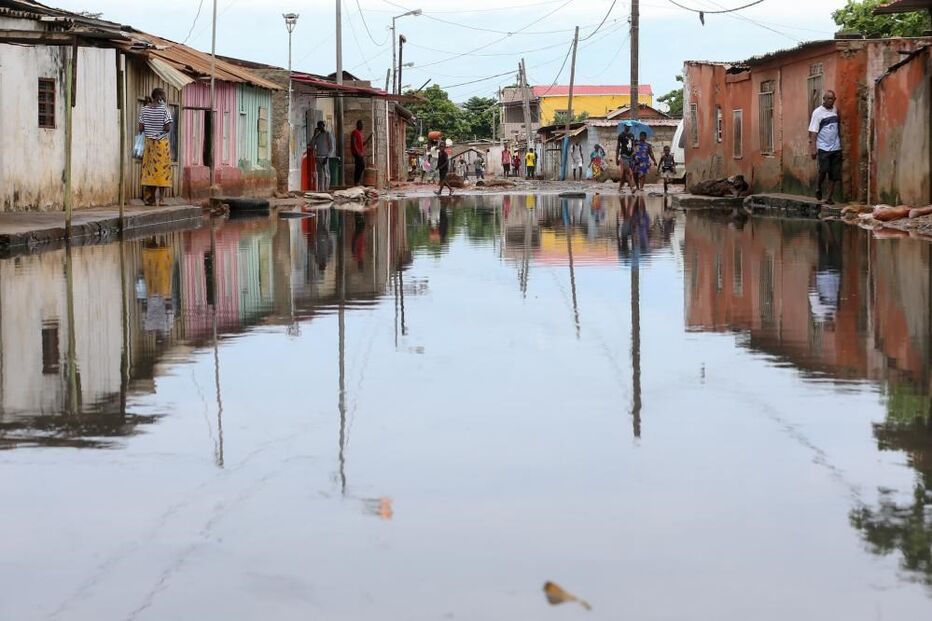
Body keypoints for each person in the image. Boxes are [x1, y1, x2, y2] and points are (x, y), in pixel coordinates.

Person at [138, 88, 173, 206]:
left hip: (149, 145)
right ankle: (162, 199)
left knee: (150, 171)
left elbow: (141, 128)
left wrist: (150, 130)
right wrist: (158, 132)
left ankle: (150, 199)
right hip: (161, 144)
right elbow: (168, 128)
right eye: (164, 97)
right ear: (160, 97)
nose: (165, 99)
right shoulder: (165, 110)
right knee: (163, 171)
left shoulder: (144, 109)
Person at [809, 90, 841, 205]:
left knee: (834, 174)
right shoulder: (817, 112)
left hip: (836, 147)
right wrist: (813, 148)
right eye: (828, 99)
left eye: (832, 99)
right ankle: (818, 186)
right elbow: (813, 132)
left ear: (834, 100)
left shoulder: (835, 110)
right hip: (823, 147)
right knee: (824, 170)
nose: (830, 101)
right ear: (824, 99)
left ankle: (829, 197)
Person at [311, 120, 333, 192]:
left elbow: (331, 147)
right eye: (319, 126)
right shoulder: (318, 135)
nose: (320, 127)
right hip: (318, 157)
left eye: (321, 125)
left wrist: (327, 157)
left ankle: (327, 189)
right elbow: (312, 145)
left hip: (325, 157)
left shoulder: (327, 134)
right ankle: (321, 190)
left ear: (324, 126)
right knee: (320, 175)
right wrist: (314, 135)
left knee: (326, 174)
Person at [351, 120, 371, 186]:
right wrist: (357, 152)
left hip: (360, 153)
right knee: (361, 166)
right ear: (358, 125)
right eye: (361, 124)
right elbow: (354, 143)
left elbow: (362, 144)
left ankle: (357, 181)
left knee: (359, 166)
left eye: (362, 124)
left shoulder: (360, 133)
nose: (362, 126)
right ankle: (356, 181)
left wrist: (368, 138)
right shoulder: (355, 132)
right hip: (357, 153)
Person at [616, 125, 636, 192]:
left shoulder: (632, 135)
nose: (628, 127)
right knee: (628, 172)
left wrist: (634, 152)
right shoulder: (621, 135)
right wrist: (616, 158)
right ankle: (632, 188)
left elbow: (633, 146)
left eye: (629, 126)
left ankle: (619, 188)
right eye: (627, 126)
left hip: (630, 157)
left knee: (623, 174)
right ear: (624, 126)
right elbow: (618, 147)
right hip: (623, 156)